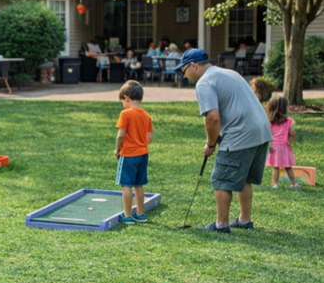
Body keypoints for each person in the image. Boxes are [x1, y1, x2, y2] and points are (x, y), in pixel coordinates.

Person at [176, 48, 272, 233]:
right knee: (243, 178)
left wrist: (210, 144)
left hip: (241, 132)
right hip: (261, 131)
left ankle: (221, 224)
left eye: (184, 70)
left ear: (194, 66)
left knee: (221, 179)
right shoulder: (229, 73)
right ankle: (244, 220)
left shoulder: (204, 83)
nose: (184, 75)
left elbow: (212, 118)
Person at [114, 81, 154, 224]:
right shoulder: (146, 115)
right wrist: (140, 144)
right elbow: (149, 137)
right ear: (141, 99)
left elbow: (120, 135)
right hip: (143, 154)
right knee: (139, 184)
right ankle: (141, 214)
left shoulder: (125, 114)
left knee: (126, 185)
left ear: (126, 98)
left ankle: (127, 215)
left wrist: (118, 149)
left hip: (128, 154)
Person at [265, 95, 299, 189]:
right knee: (288, 166)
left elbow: (268, 133)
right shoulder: (288, 121)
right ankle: (293, 183)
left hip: (274, 146)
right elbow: (292, 133)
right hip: (284, 147)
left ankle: (275, 184)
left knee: (276, 167)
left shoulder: (270, 121)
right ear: (284, 108)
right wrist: (293, 134)